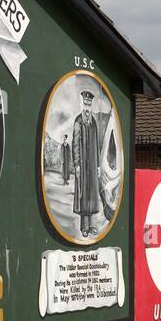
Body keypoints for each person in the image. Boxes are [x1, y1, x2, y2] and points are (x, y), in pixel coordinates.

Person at [69, 84, 104, 238]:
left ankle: (92, 226)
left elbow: (96, 144)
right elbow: (75, 144)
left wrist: (97, 165)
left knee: (92, 194)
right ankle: (84, 227)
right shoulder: (78, 121)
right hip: (82, 165)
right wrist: (76, 164)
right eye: (86, 103)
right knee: (83, 195)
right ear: (83, 103)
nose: (88, 106)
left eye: (90, 104)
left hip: (92, 164)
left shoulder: (94, 122)